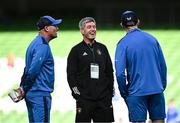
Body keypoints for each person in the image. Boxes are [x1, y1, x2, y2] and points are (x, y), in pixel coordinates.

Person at [115, 10, 167, 123]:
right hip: (156, 89)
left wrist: (125, 93)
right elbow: (163, 66)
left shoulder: (122, 44)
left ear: (121, 25)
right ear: (138, 22)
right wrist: (161, 86)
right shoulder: (152, 39)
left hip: (136, 92)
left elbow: (119, 74)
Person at [67, 17, 114, 123]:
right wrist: (78, 95)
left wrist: (109, 93)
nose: (93, 29)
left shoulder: (103, 48)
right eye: (89, 27)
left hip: (103, 100)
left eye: (94, 27)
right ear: (82, 31)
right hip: (84, 100)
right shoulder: (76, 51)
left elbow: (109, 72)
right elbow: (71, 75)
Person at [20, 15, 62, 123]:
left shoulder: (35, 43)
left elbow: (27, 69)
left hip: (33, 94)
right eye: (55, 26)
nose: (57, 28)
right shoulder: (42, 45)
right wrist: (24, 87)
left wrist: (23, 87)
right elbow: (33, 70)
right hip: (39, 94)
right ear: (46, 28)